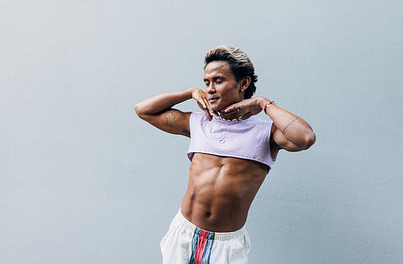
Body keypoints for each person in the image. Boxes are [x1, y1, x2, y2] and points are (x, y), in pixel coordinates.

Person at [134, 45, 316, 264]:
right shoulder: (197, 123)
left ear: (244, 83)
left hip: (226, 246)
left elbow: (305, 137)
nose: (210, 89)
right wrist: (189, 92)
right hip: (183, 234)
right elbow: (143, 110)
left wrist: (262, 103)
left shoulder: (265, 133)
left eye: (218, 81)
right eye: (206, 82)